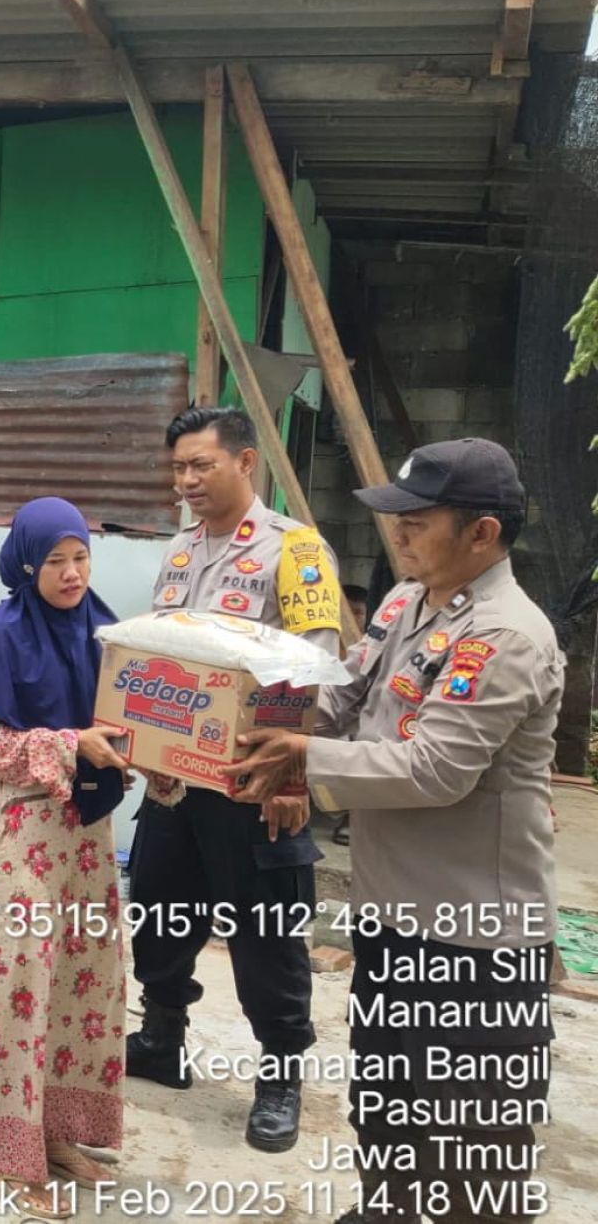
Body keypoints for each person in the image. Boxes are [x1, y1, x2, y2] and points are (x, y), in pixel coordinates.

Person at [235, 437, 560, 1224]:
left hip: (474, 942)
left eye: (419, 519)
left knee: (470, 1138)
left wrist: (302, 759)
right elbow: (345, 700)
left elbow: (435, 770)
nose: (399, 532)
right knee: (387, 1102)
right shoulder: (404, 603)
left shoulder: (504, 637)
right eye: (398, 516)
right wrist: (246, 726)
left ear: (482, 533)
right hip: (392, 917)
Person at [127, 406, 342, 1153]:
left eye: (201, 465)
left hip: (253, 783)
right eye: (178, 468)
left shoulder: (295, 550)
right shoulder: (180, 550)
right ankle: (162, 1039)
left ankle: (280, 1078)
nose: (186, 480)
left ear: (246, 463)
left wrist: (293, 776)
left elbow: (312, 667)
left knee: (266, 936)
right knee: (160, 912)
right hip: (175, 781)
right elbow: (160, 654)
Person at [0, 498, 131, 1219]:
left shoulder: (104, 629)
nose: (72, 574)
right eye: (56, 562)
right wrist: (71, 745)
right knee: (13, 979)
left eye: (81, 558)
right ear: (26, 565)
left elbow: (128, 718)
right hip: (22, 837)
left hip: (86, 836)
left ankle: (54, 1132)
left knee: (79, 978)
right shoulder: (2, 635)